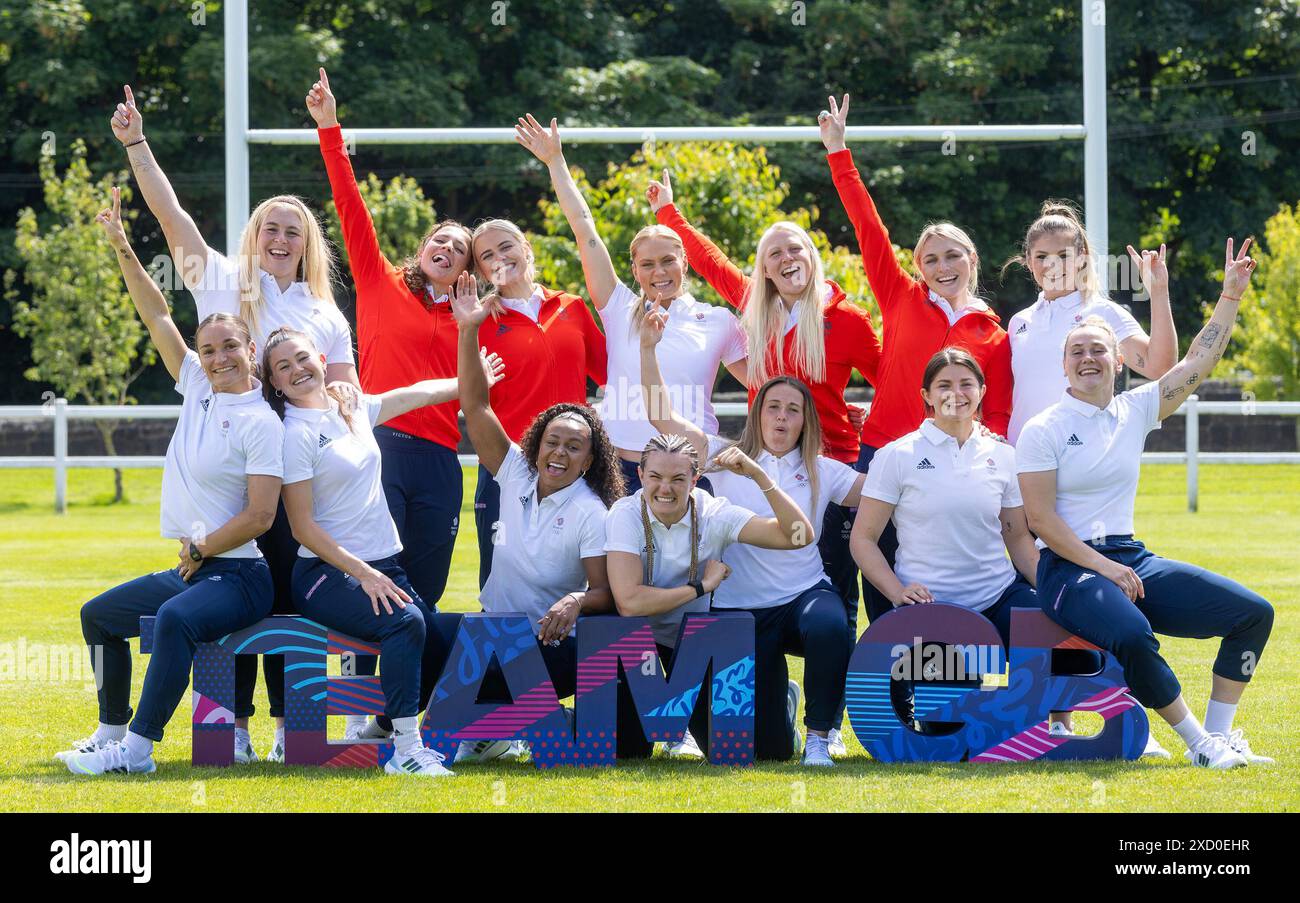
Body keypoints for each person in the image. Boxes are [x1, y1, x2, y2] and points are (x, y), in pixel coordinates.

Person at [111, 84, 358, 762]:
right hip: (234, 473)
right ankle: (229, 727)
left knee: (289, 600)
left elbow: (346, 403)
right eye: (271, 227)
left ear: (306, 244)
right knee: (231, 600)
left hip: (301, 479)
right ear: (255, 235)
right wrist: (137, 143)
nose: (280, 238)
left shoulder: (326, 314)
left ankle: (291, 728)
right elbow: (171, 217)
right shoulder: (221, 277)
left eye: (293, 230)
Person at [647, 162, 882, 753]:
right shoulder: (755, 309)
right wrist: (669, 213)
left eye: (795, 247)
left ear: (812, 255)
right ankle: (767, 700)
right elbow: (711, 264)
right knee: (756, 587)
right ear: (765, 266)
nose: (785, 258)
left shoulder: (846, 321)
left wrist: (867, 416)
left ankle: (825, 730)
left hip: (828, 474)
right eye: (774, 252)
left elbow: (898, 380)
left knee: (831, 605)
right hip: (756, 467)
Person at [1017, 238, 1274, 769]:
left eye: (1097, 350)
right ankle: (1199, 744)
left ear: (1117, 360)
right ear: (1064, 366)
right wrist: (1105, 568)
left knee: (1253, 614)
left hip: (1132, 560)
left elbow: (1200, 361)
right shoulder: (1043, 430)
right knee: (1135, 634)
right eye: (1076, 352)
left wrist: (1230, 296)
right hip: (1069, 571)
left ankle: (1222, 737)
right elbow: (1040, 520)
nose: (1088, 358)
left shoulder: (1137, 408)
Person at [61, 189, 282, 775]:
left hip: (240, 574)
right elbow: (156, 312)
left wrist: (203, 547)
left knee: (176, 620)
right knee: (98, 615)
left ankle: (137, 752)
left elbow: (261, 516)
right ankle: (109, 729)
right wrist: (122, 246)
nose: (218, 357)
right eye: (208, 349)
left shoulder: (263, 423)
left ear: (251, 349)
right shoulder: (197, 386)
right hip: (197, 566)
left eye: (230, 346)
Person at [264, 326, 499, 777]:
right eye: (283, 367)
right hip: (323, 572)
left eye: (302, 358)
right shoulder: (293, 434)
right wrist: (364, 574)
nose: (297, 370)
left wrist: (471, 379)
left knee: (446, 633)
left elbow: (417, 393)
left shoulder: (352, 407)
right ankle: (407, 752)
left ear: (320, 357)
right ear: (274, 382)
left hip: (383, 565)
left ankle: (391, 728)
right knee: (405, 622)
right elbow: (302, 527)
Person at [819, 94, 1014, 630]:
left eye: (952, 255)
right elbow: (867, 226)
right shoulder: (901, 297)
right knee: (880, 572)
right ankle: (888, 692)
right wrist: (840, 153)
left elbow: (996, 412)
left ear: (971, 260)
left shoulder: (993, 333)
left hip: (955, 462)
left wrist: (992, 449)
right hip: (882, 453)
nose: (942, 265)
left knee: (940, 579)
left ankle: (949, 684)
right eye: (930, 258)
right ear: (917, 267)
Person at [640, 310, 864, 765]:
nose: (782, 417)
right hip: (740, 608)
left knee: (831, 624)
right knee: (768, 752)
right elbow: (662, 417)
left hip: (802, 594)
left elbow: (885, 492)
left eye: (793, 410)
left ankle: (820, 735)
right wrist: (647, 347)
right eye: (773, 407)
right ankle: (784, 703)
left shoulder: (824, 469)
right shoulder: (722, 455)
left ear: (806, 422)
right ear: (757, 412)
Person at [513, 114, 747, 494]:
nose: (660, 272)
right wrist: (555, 161)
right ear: (635, 271)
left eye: (668, 260)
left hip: (689, 469)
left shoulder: (718, 320)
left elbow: (765, 385)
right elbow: (583, 227)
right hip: (620, 469)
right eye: (648, 264)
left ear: (684, 262)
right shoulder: (618, 306)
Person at [450, 272, 627, 763]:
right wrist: (468, 330)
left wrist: (575, 600)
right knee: (429, 634)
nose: (560, 453)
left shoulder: (593, 512)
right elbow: (475, 404)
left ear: (590, 460)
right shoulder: (514, 474)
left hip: (552, 647)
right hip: (495, 634)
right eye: (552, 441)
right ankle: (497, 724)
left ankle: (515, 721)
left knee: (482, 691)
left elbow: (606, 594)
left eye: (574, 447)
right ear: (536, 444)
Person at [604, 387, 816, 760]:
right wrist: (701, 586)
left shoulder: (713, 512)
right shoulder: (624, 513)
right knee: (628, 752)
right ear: (639, 473)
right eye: (654, 477)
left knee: (767, 754)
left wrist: (758, 474)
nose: (665, 489)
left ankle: (779, 703)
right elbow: (629, 602)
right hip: (642, 650)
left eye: (678, 479)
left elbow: (799, 536)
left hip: (696, 651)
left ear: (696, 477)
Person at [850, 348, 1039, 731]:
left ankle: (1048, 726)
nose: (957, 393)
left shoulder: (1003, 455)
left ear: (982, 391)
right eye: (944, 385)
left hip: (996, 598)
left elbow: (1017, 537)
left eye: (966, 383)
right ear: (926, 395)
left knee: (1044, 629)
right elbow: (863, 538)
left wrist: (1051, 589)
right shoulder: (895, 456)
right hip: (932, 611)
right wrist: (897, 591)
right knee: (951, 734)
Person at [466, 212, 607, 588]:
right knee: (501, 580)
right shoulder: (477, 324)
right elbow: (468, 399)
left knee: (580, 578)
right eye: (487, 256)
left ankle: (567, 648)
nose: (500, 258)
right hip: (507, 468)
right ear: (480, 271)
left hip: (572, 465)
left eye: (506, 246)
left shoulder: (571, 306)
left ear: (526, 248)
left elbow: (611, 373)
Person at [1004, 203, 1178, 444]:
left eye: (1064, 256)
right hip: (1021, 459)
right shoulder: (1018, 323)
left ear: (1082, 259)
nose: (1052, 265)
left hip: (1083, 456)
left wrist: (1159, 293)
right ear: (1029, 262)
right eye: (1042, 257)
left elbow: (1160, 368)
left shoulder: (1103, 311)